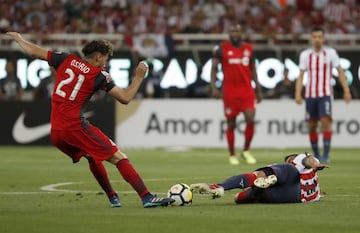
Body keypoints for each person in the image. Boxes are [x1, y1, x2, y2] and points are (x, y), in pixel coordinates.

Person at [6, 31, 174, 208]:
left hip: (56, 132)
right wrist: (139, 77)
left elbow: (33, 52)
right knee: (118, 157)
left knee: (92, 157)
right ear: (99, 57)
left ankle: (113, 197)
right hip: (74, 127)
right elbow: (125, 97)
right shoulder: (99, 75)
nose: (106, 63)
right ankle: (147, 197)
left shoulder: (66, 59)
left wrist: (19, 39)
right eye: (106, 59)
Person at [295, 26, 352, 164]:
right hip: (310, 95)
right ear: (311, 38)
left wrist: (346, 90)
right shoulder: (305, 55)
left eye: (320, 36)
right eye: (315, 37)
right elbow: (301, 75)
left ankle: (326, 155)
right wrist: (298, 93)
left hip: (325, 93)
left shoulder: (331, 53)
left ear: (323, 38)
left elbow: (340, 71)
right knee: (312, 125)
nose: (317, 39)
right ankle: (316, 154)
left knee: (326, 122)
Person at [210, 24, 263, 165]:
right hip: (230, 91)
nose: (234, 33)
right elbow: (214, 68)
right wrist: (214, 87)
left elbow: (253, 71)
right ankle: (232, 154)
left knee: (250, 118)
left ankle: (246, 151)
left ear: (242, 33)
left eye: (237, 31)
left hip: (246, 90)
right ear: (229, 33)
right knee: (231, 123)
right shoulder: (221, 49)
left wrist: (258, 90)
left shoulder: (249, 49)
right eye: (232, 31)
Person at [190, 152, 329, 204]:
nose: (289, 160)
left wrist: (316, 164)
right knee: (240, 198)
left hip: (291, 176)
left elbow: (308, 160)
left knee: (263, 174)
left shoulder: (298, 160)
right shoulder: (315, 187)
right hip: (295, 197)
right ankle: (259, 187)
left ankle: (220, 186)